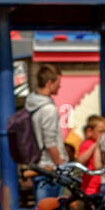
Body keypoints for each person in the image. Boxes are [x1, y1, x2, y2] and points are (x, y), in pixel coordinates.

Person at [25, 64, 66, 201]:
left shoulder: (32, 104)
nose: (60, 87)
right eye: (58, 83)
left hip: (39, 166)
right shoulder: (48, 109)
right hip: (50, 169)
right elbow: (50, 143)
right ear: (49, 83)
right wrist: (61, 165)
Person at [76, 115, 105, 196]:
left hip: (103, 186)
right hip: (90, 188)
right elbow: (81, 160)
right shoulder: (87, 144)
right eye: (100, 132)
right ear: (90, 131)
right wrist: (95, 145)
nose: (103, 135)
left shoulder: (104, 144)